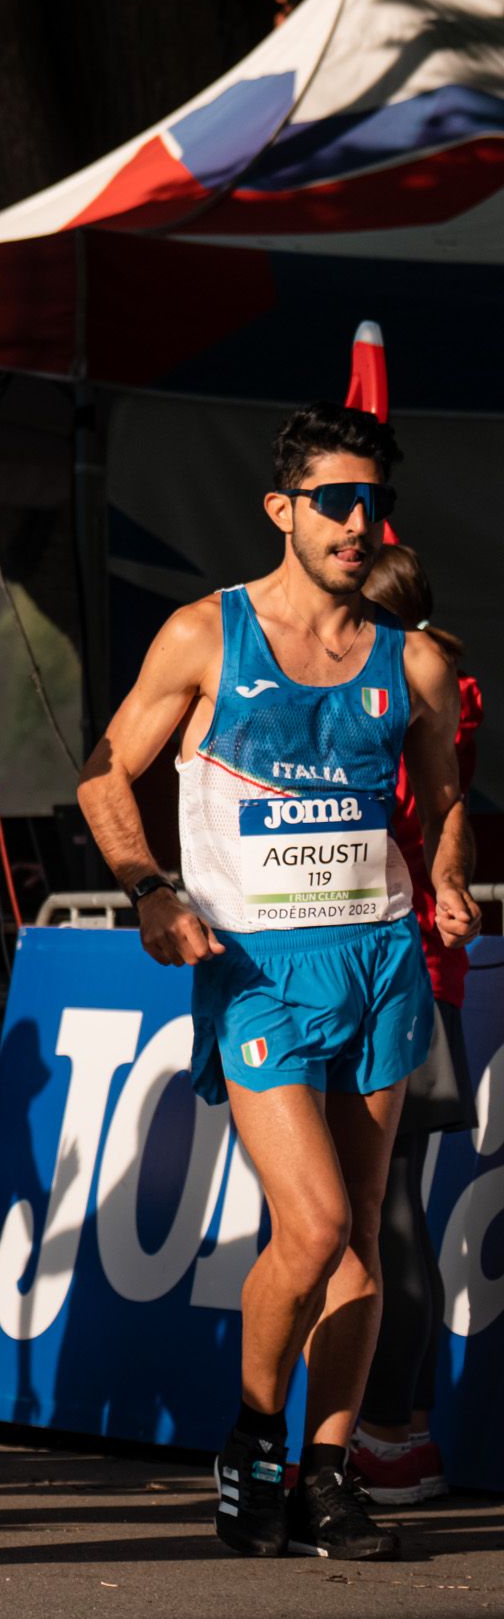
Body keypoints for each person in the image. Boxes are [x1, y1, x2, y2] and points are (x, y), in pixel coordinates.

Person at [73, 404, 463, 1559]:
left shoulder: (415, 656)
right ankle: (252, 1435)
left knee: (361, 1248)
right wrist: (149, 888)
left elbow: (441, 804)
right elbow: (106, 775)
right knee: (318, 1221)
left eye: (371, 503)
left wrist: (444, 873)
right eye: (334, 501)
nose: (356, 523)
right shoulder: (204, 635)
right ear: (280, 510)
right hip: (256, 968)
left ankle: (327, 1470)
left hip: (378, 958)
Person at [350, 538, 478, 1507]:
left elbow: (418, 818)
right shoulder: (434, 686)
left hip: (393, 971)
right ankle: (388, 1430)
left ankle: (389, 1435)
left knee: (380, 1216)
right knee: (375, 1214)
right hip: (401, 973)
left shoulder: (405, 692)